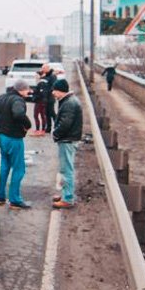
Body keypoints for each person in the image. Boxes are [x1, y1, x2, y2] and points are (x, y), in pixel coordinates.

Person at [0, 79, 34, 209]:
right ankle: (15, 200)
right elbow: (18, 114)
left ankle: (0, 197)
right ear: (20, 90)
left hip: (2, 137)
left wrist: (3, 118)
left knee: (5, 166)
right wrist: (27, 125)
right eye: (26, 89)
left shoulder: (2, 97)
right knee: (19, 169)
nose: (28, 91)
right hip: (14, 138)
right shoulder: (17, 100)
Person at [52, 78, 83, 209]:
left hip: (67, 140)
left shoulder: (69, 104)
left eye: (55, 90)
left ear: (61, 91)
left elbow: (65, 123)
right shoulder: (69, 101)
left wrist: (56, 133)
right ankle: (66, 194)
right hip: (69, 139)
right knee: (66, 169)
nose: (53, 93)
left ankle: (68, 198)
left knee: (66, 170)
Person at [40, 65, 58, 133]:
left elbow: (53, 86)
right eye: (42, 68)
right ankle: (48, 127)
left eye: (44, 68)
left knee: (52, 112)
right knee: (46, 113)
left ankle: (57, 126)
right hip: (45, 98)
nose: (42, 69)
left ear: (48, 68)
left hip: (50, 97)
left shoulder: (52, 76)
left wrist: (48, 93)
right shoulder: (45, 76)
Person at [31, 71, 49, 135]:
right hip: (41, 101)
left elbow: (42, 93)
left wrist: (34, 95)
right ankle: (41, 129)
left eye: (36, 76)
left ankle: (40, 129)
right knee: (41, 115)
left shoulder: (42, 83)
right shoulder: (41, 82)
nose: (35, 77)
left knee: (37, 115)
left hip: (40, 102)